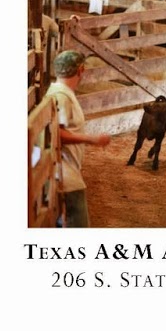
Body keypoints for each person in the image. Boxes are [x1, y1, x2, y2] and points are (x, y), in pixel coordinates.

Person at [44, 50, 111, 227]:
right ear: (80, 70)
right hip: (65, 174)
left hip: (65, 169)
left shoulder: (59, 91)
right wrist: (91, 139)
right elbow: (57, 134)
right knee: (78, 224)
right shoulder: (61, 96)